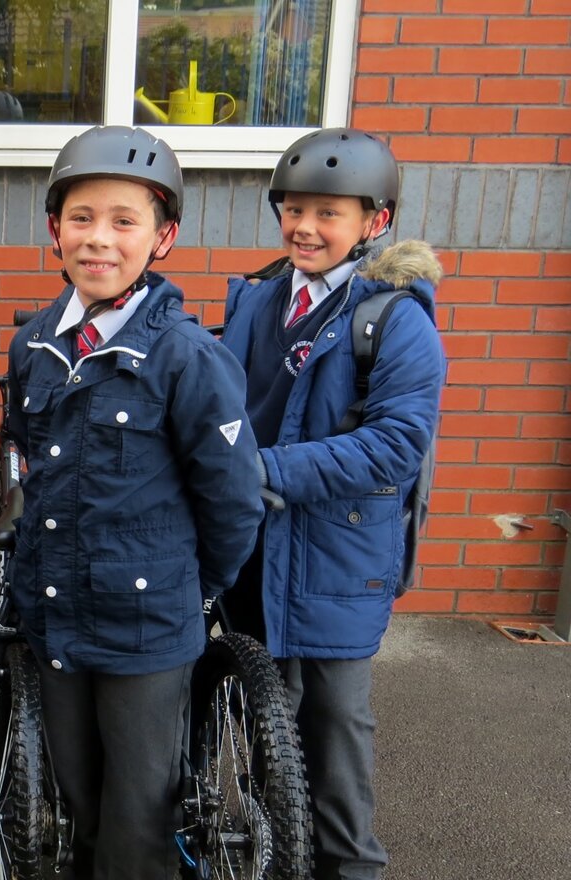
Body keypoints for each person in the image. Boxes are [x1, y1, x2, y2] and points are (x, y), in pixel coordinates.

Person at [5, 125, 264, 879]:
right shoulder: (34, 346)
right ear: (55, 231)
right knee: (81, 799)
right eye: (82, 219)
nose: (100, 240)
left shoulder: (189, 356)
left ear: (164, 238)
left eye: (125, 221)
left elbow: (233, 499)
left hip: (146, 625)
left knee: (138, 820)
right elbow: (27, 456)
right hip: (56, 613)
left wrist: (191, 587)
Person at [218, 128, 445, 880]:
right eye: (293, 209)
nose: (305, 228)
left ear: (374, 222)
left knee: (335, 733)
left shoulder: (395, 319)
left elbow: (392, 448)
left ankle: (350, 870)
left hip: (336, 560)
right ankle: (278, 857)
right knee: (268, 729)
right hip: (254, 551)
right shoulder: (257, 299)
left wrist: (260, 468)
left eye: (328, 214)